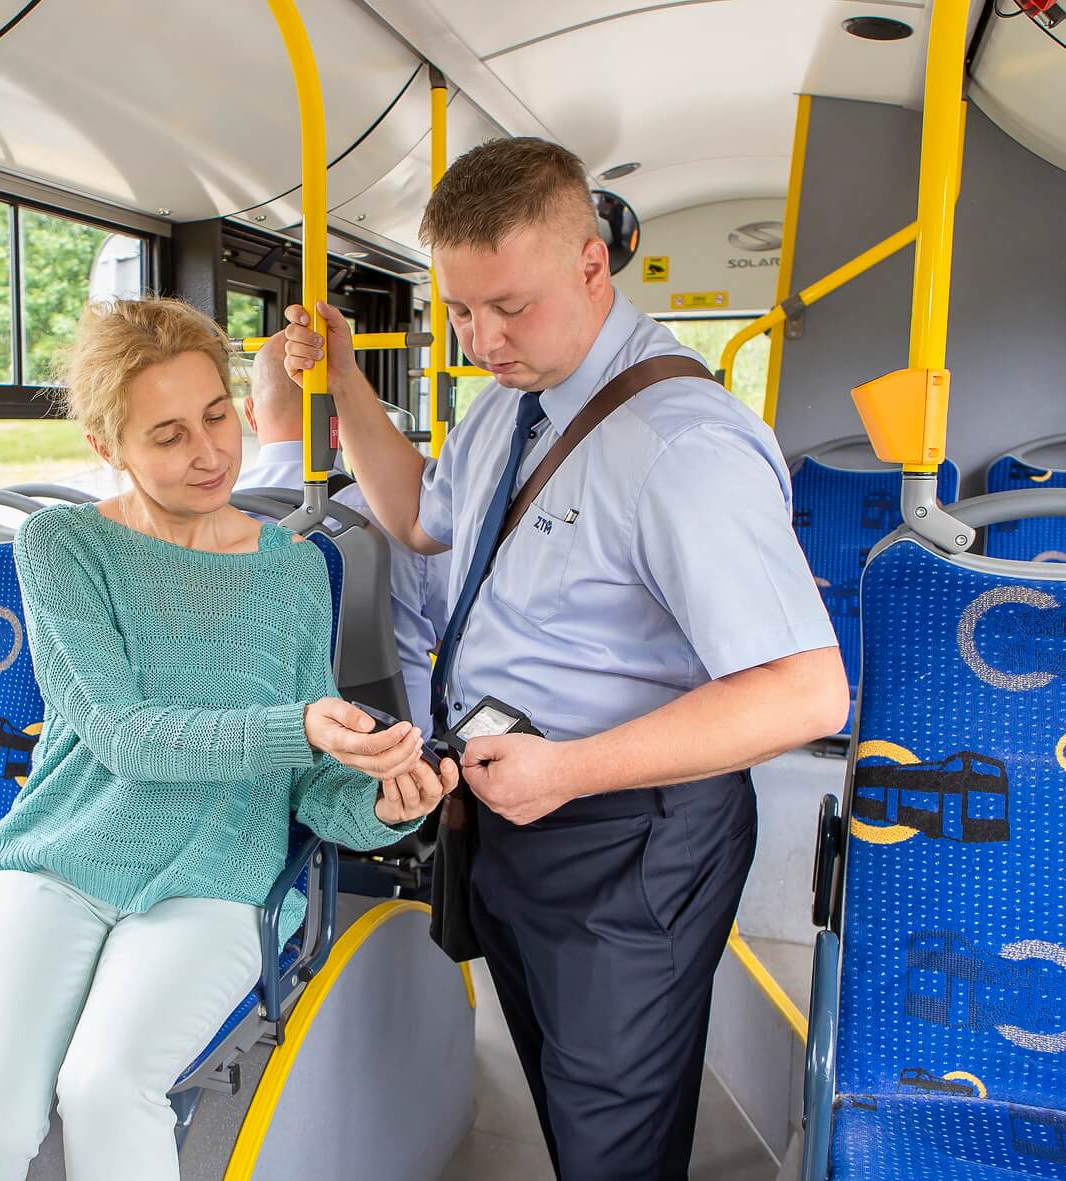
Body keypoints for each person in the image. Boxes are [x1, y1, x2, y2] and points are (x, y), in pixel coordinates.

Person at [283, 138, 847, 1180]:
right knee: (557, 1088)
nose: (481, 338)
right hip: (512, 804)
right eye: (457, 311)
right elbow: (416, 517)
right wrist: (347, 383)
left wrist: (571, 770)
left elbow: (804, 691)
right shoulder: (504, 402)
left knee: (611, 1135)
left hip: (626, 833)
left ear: (592, 265)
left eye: (508, 305)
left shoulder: (682, 448)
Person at [0, 297, 460, 1181]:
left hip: (215, 875)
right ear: (107, 445)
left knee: (106, 1086)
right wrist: (300, 726)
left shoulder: (295, 572)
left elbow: (310, 786)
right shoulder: (63, 546)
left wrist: (386, 804)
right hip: (57, 859)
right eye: (166, 436)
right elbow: (125, 735)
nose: (207, 454)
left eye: (215, 417)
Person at [234, 331, 451, 735]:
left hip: (262, 742)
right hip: (395, 751)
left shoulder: (218, 515)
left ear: (249, 413)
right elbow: (453, 635)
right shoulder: (404, 512)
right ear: (339, 415)